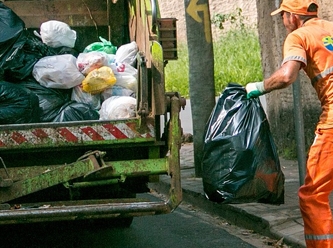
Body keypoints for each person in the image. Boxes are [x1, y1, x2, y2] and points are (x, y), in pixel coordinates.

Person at [245, 0, 333, 247]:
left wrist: (259, 87)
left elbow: (286, 76)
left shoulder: (299, 36)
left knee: (313, 195)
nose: (282, 21)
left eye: (283, 15)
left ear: (293, 16)